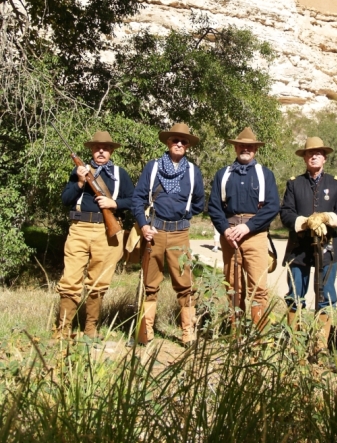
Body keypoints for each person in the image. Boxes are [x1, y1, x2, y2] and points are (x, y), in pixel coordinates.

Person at [56, 130, 135, 339]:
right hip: (79, 229)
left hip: (106, 232)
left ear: (111, 151)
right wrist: (80, 182)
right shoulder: (79, 172)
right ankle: (62, 331)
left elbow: (135, 201)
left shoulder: (120, 174)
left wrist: (114, 203)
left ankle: (90, 330)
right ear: (91, 150)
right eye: (97, 147)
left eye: (106, 148)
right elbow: (65, 200)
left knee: (98, 282)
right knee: (70, 280)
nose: (101, 151)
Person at [132, 123, 205, 344]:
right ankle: (145, 331)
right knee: (150, 284)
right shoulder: (153, 167)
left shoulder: (193, 172)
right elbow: (138, 199)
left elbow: (199, 204)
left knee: (185, 285)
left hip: (180, 234)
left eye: (184, 141)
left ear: (188, 146)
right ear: (168, 142)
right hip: (154, 232)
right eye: (175, 140)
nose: (179, 144)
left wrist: (182, 215)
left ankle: (187, 333)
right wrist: (144, 225)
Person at [280, 136, 337, 353]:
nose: (314, 156)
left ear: (324, 157)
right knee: (294, 296)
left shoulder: (336, 184)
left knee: (326, 296)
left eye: (318, 153)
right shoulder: (294, 183)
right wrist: (305, 222)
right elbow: (286, 214)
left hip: (327, 248)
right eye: (310, 153)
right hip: (299, 247)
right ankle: (294, 343)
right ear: (305, 157)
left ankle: (319, 345)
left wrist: (326, 217)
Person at [208, 127, 280, 328]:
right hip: (229, 236)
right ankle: (235, 332)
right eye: (242, 145)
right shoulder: (223, 174)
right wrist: (225, 229)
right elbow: (214, 206)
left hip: (255, 236)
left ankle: (259, 336)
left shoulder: (265, 174)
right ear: (235, 147)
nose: (245, 149)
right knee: (232, 285)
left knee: (258, 287)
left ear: (255, 149)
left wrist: (248, 227)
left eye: (250, 146)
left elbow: (272, 206)